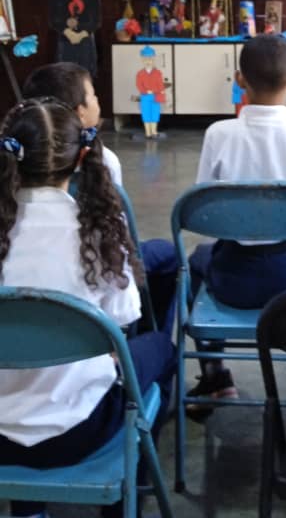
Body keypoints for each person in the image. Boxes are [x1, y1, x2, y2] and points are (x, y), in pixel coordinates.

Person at [0, 98, 175, 518]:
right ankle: (129, 493)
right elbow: (124, 317)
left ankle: (28, 509)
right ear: (82, 157)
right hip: (82, 429)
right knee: (161, 349)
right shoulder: (95, 235)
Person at [187, 34, 286, 408]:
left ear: (239, 79)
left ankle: (216, 373)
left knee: (195, 262)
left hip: (232, 278)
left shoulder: (218, 134)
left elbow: (203, 213)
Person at [22, 62, 178, 337]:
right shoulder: (102, 161)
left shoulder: (14, 158)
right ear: (80, 113)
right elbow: (116, 235)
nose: (98, 100)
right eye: (93, 94)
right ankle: (149, 336)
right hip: (97, 271)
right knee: (166, 255)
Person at [48, 0, 101, 78]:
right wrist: (68, 32)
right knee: (65, 77)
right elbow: (53, 20)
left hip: (86, 42)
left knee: (85, 77)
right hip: (65, 43)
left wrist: (81, 34)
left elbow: (96, 21)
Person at [135, 45, 166, 138]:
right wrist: (145, 91)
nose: (148, 62)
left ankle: (154, 131)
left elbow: (160, 85)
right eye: (146, 59)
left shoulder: (158, 73)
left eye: (150, 59)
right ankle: (148, 132)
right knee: (146, 114)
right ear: (142, 60)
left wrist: (158, 91)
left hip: (155, 97)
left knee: (155, 114)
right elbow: (139, 85)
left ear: (153, 60)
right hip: (145, 97)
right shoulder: (140, 74)